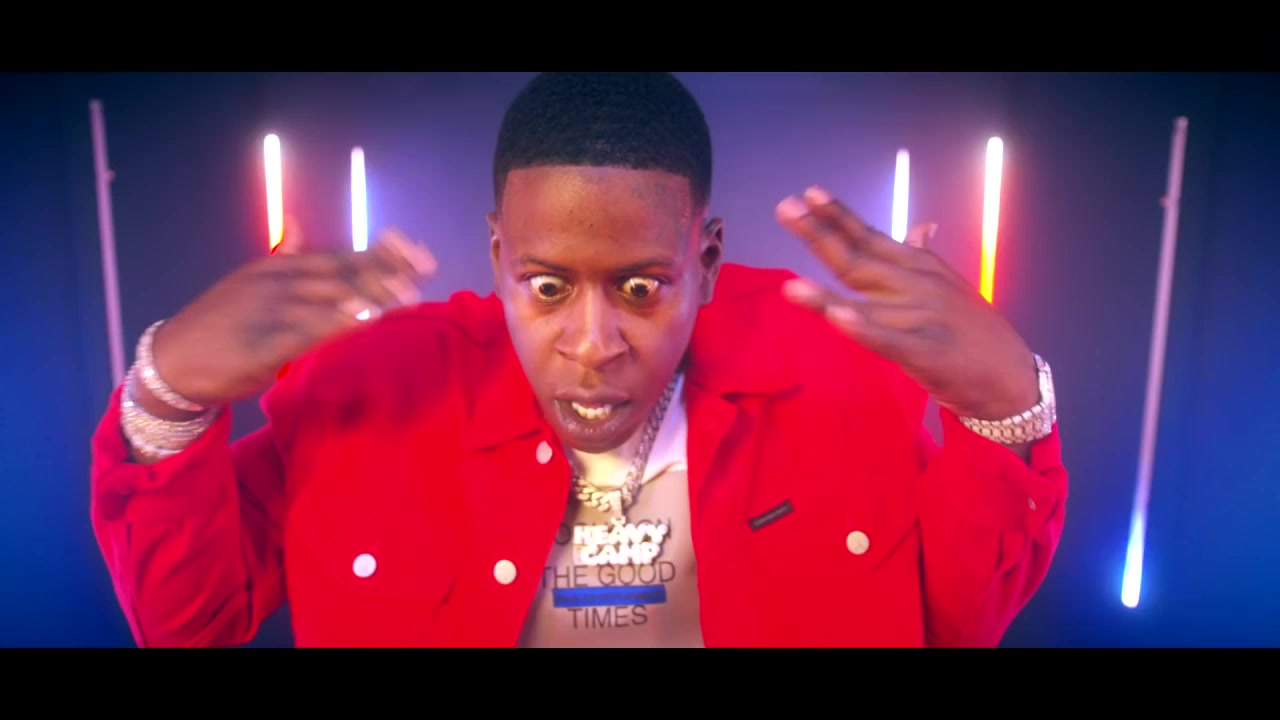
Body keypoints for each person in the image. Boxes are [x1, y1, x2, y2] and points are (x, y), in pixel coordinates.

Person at [89, 72, 1067, 648]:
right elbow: (190, 623)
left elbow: (956, 623)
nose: (593, 344)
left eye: (641, 287)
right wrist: (168, 401)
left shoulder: (836, 375)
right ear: (497, 256)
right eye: (547, 286)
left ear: (705, 262)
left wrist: (1003, 411)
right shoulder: (368, 391)